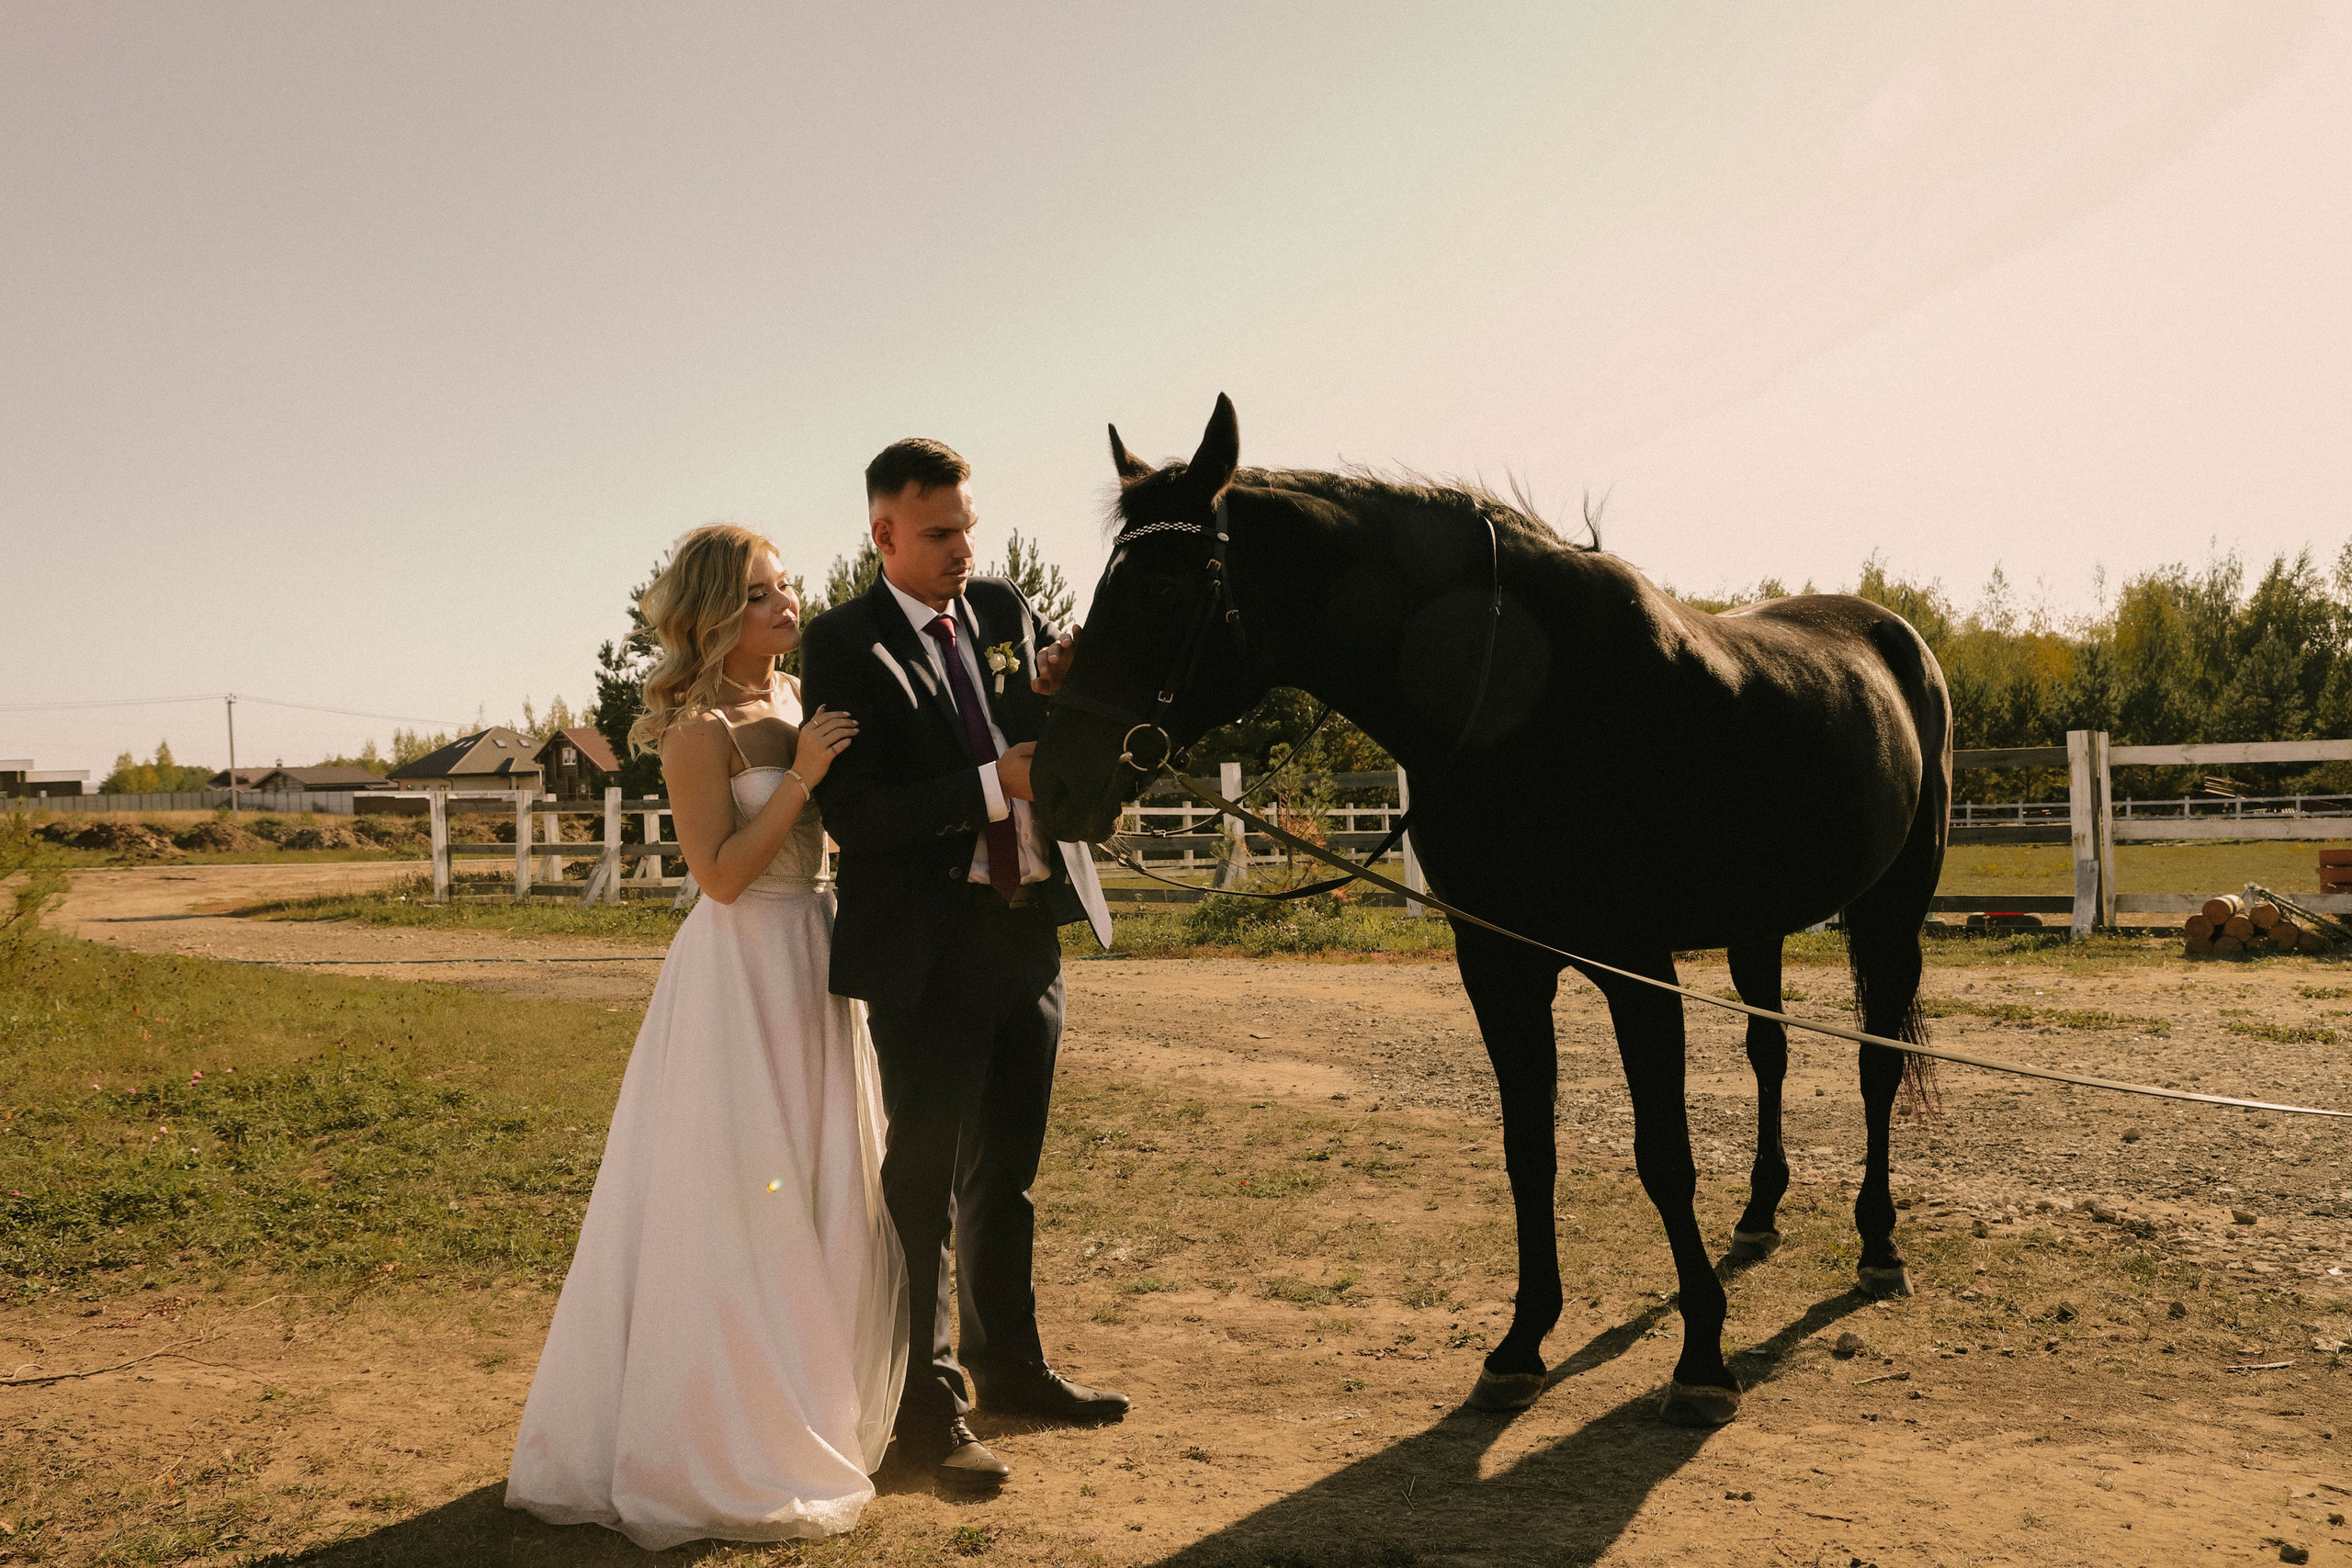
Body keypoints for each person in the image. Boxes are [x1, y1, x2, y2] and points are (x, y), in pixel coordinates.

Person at [507, 525, 907, 1551]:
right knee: (735, 1191)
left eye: (787, 586)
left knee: (823, 1176)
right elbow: (719, 877)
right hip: (741, 968)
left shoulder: (800, 697)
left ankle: (818, 1398)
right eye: (762, 594)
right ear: (717, 615)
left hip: (817, 955)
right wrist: (804, 776)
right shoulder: (698, 728)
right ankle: (724, 1426)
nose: (788, 606)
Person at [800, 437, 1120, 1493]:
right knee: (923, 1185)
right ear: (883, 534)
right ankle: (924, 1412)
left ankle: (1010, 1368)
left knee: (1007, 1177)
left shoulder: (1004, 608)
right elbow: (856, 815)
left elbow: (1042, 738)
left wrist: (1063, 695)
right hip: (926, 948)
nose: (962, 549)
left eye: (968, 527)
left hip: (1027, 932)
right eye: (939, 533)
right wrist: (993, 782)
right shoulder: (842, 644)